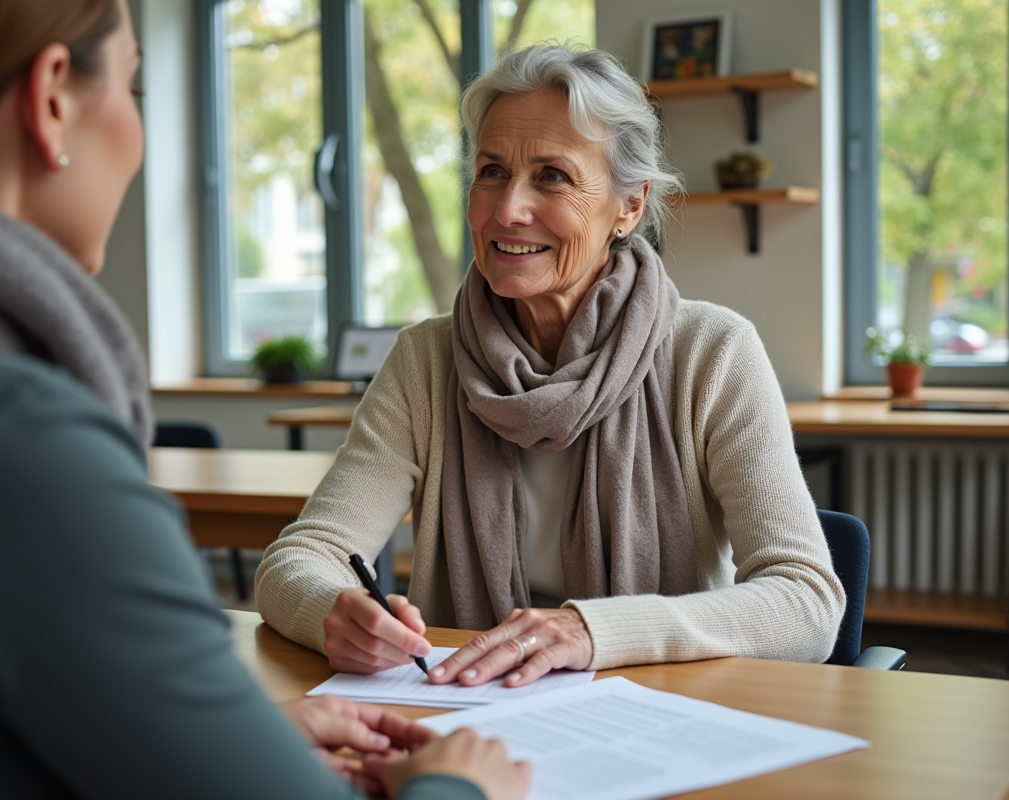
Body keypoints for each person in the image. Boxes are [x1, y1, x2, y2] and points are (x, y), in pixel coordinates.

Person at [0, 2, 530, 798]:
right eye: (135, 88)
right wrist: (458, 787)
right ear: (52, 99)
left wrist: (228, 745)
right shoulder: (11, 443)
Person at [255, 44, 845, 689]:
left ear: (629, 205)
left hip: (663, 710)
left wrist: (589, 632)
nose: (507, 209)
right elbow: (303, 557)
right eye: (490, 172)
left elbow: (807, 602)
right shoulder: (425, 360)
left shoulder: (712, 351)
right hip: (474, 711)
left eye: (553, 176)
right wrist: (332, 612)